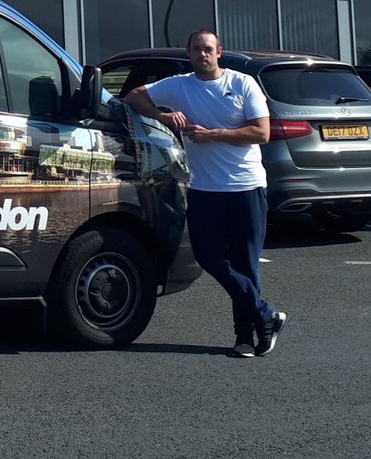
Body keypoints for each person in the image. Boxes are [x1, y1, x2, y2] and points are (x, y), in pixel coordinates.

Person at [123, 29, 287, 358]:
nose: (203, 54)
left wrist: (214, 135)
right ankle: (265, 314)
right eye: (196, 49)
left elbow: (262, 132)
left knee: (246, 264)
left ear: (219, 52)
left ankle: (245, 338)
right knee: (209, 257)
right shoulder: (180, 85)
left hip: (245, 188)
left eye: (208, 49)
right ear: (189, 53)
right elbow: (133, 96)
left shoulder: (242, 84)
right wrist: (162, 115)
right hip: (204, 190)